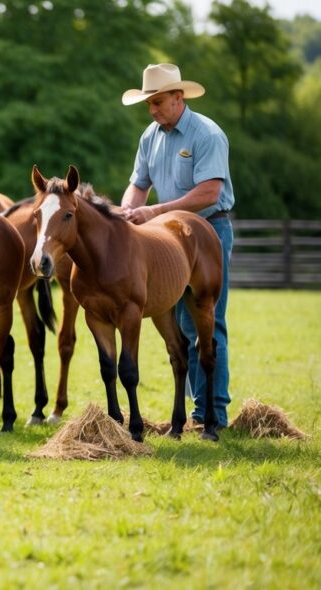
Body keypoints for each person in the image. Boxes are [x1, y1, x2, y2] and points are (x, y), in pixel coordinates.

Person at [119, 63, 235, 427]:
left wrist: (156, 209)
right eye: (148, 104)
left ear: (178, 98)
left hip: (208, 231)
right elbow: (139, 184)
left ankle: (211, 413)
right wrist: (127, 210)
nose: (151, 110)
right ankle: (198, 410)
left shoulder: (206, 134)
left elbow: (209, 192)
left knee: (207, 321)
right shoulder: (150, 136)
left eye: (157, 102)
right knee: (184, 325)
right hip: (170, 235)